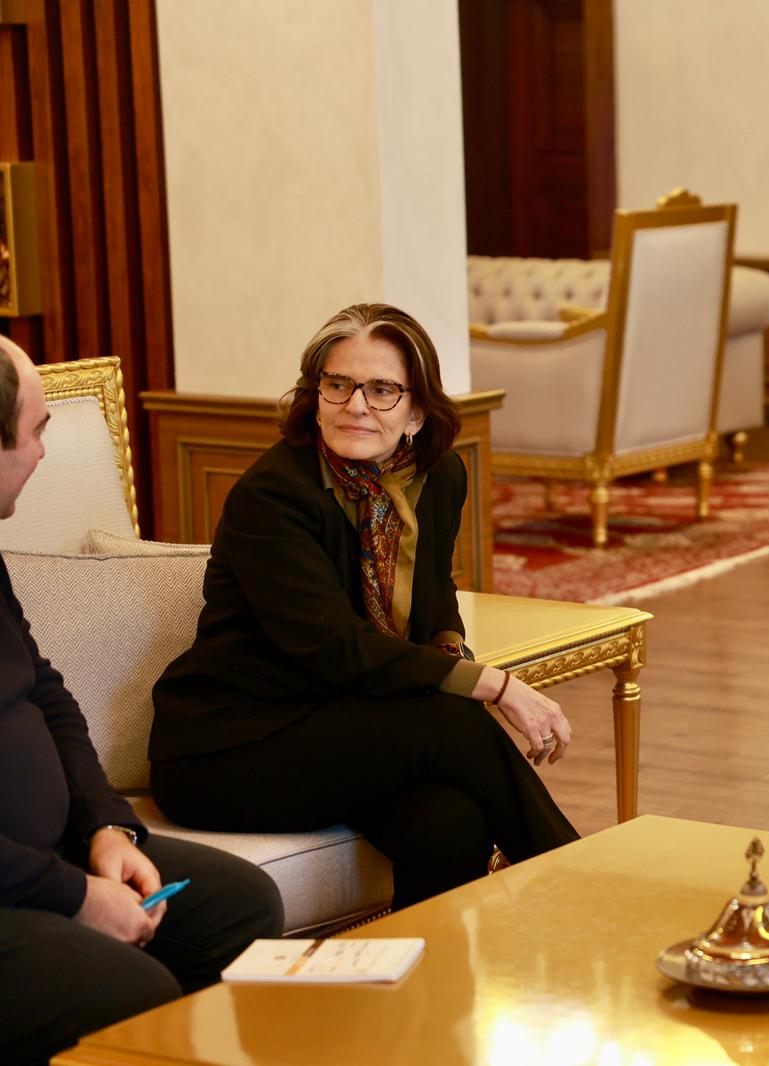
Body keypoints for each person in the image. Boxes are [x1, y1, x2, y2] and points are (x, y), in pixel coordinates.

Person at [149, 304, 578, 909]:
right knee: (452, 721)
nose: (356, 405)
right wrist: (496, 686)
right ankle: (587, 893)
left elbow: (435, 596)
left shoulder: (439, 477)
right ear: (316, 395)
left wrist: (450, 652)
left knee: (450, 825)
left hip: (349, 726)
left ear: (416, 412)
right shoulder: (272, 495)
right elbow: (337, 648)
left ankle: (417, 972)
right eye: (338, 384)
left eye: (382, 390)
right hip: (232, 747)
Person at [0, 336, 283, 1065]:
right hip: (10, 888)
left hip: (51, 856)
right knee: (134, 991)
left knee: (241, 906)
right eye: (34, 433)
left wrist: (105, 826)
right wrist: (73, 897)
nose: (42, 454)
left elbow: (45, 693)